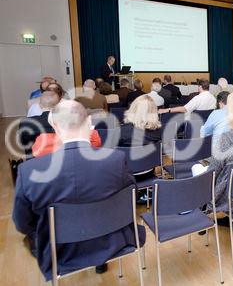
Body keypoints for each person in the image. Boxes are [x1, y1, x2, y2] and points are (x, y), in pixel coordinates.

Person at [12, 100, 144, 280]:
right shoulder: (116, 160)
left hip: (59, 251)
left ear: (55, 127)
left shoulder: (29, 171)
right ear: (89, 122)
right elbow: (131, 197)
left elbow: (22, 223)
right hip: (112, 241)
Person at [19, 91, 60, 156]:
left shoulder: (26, 123)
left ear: (40, 105)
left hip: (34, 159)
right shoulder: (65, 122)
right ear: (58, 106)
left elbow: (24, 144)